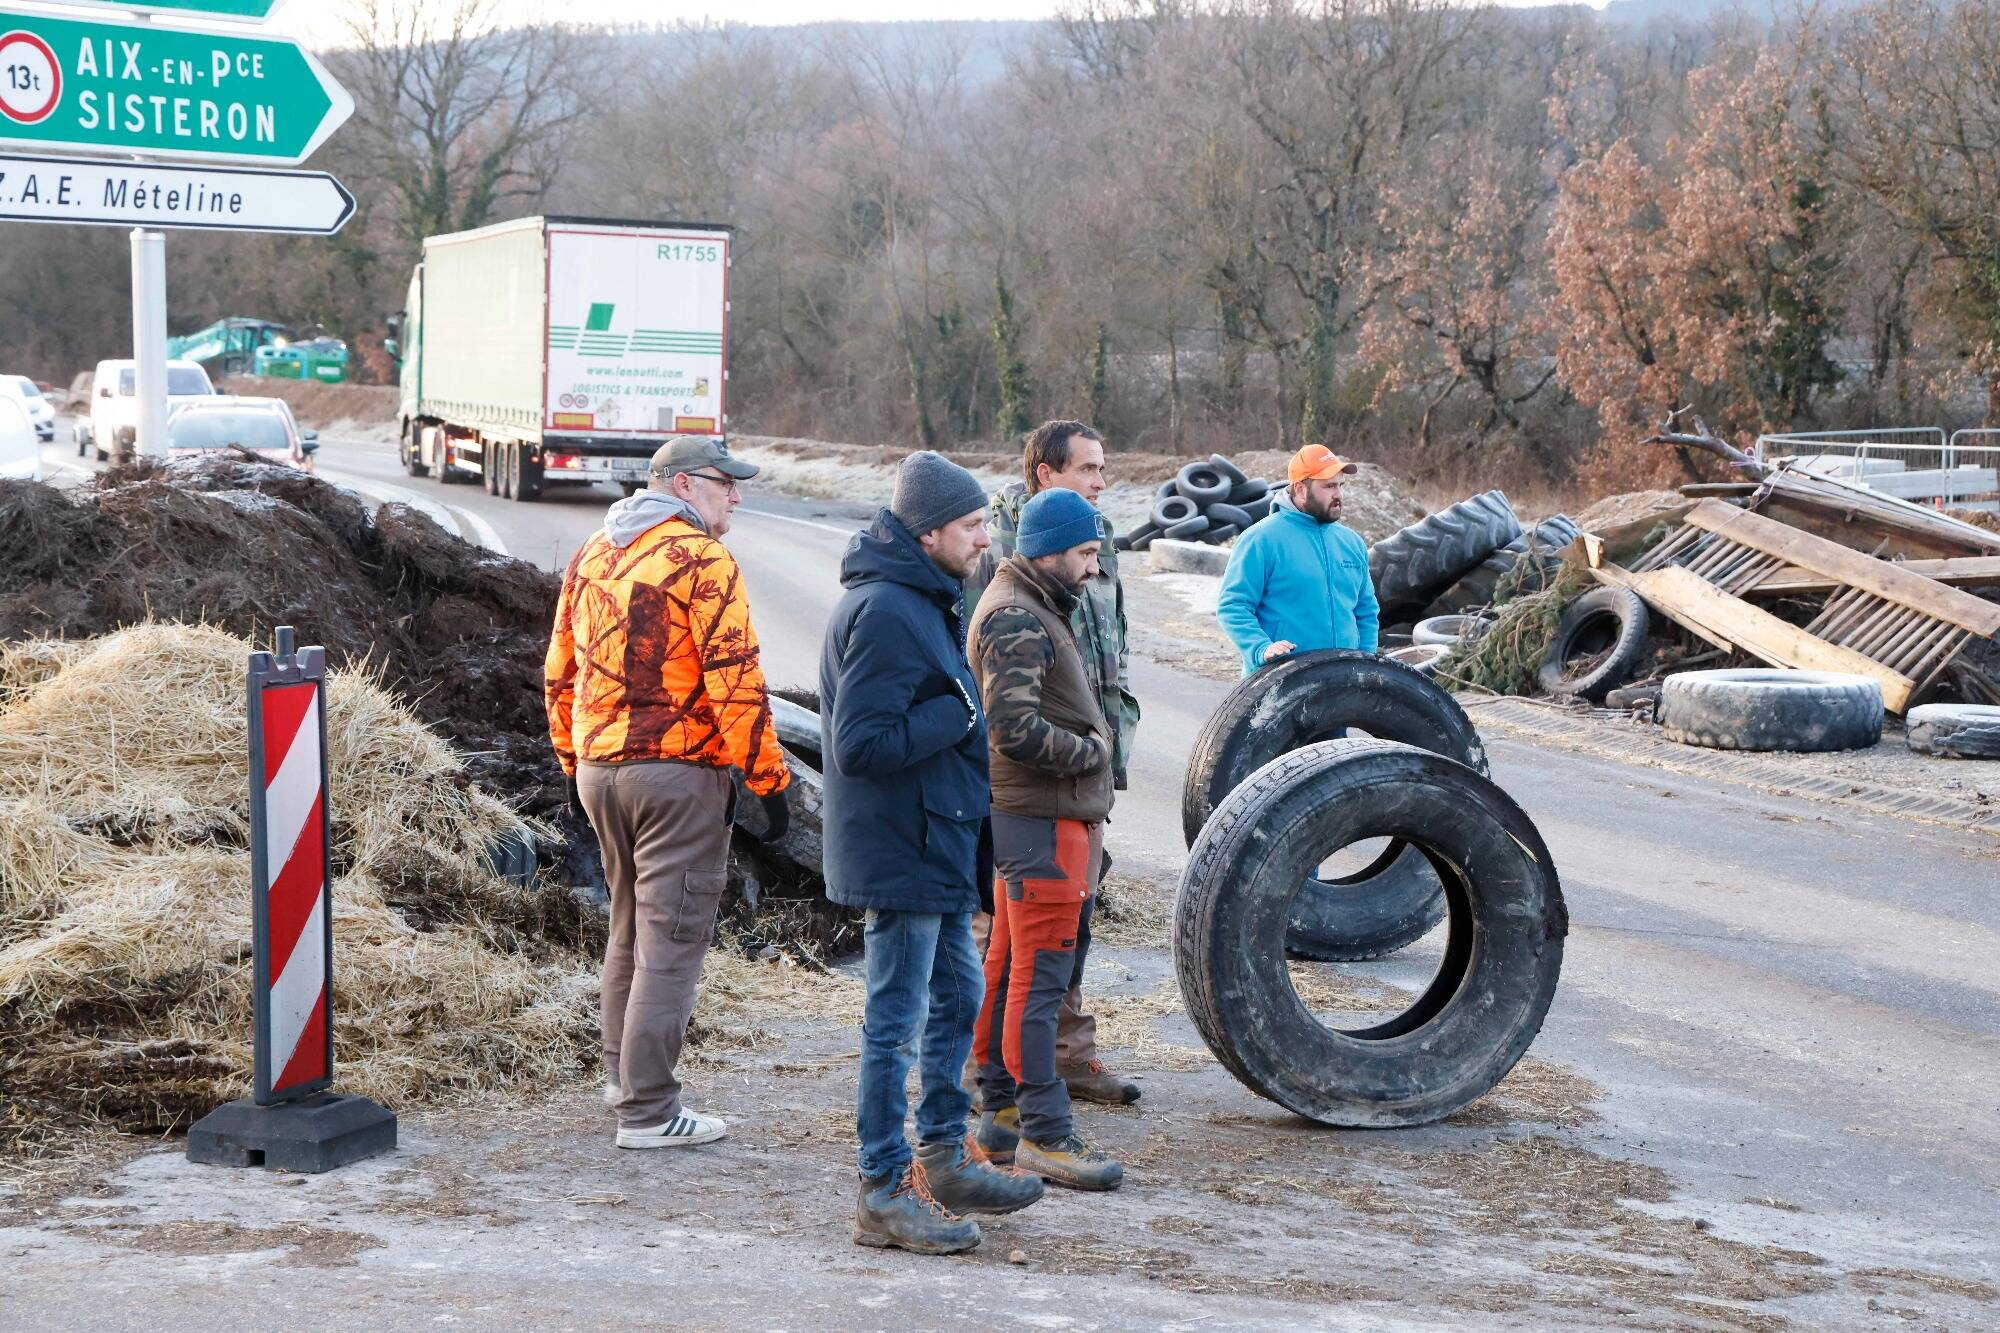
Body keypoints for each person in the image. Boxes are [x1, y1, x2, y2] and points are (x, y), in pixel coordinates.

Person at [821, 450, 1046, 1256]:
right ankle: (882, 1188)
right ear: (927, 533)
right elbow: (857, 745)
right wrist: (954, 718)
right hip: (903, 849)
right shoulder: (885, 609)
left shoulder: (927, 598)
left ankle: (943, 1158)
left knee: (956, 994)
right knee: (897, 1021)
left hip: (938, 843)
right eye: (972, 525)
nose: (985, 539)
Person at [545, 436, 791, 1150]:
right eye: (725, 484)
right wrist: (769, 781)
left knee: (628, 924)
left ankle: (621, 1080)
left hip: (599, 769)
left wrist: (570, 758)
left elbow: (560, 670)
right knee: (673, 939)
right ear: (683, 485)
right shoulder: (703, 559)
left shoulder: (593, 552)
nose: (735, 497)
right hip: (676, 773)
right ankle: (649, 1110)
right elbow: (734, 677)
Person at [962, 419, 1141, 1107]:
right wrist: (1083, 750)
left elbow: (1107, 647)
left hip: (1083, 776)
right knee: (1020, 943)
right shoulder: (1003, 555)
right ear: (1047, 475)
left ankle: (1063, 1057)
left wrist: (1109, 745)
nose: (1102, 481)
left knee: (1068, 929)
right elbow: (1002, 702)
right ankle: (1009, 1085)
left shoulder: (1092, 545)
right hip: (1035, 788)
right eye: (1090, 469)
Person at [1216, 443, 1381, 675]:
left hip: (1343, 681)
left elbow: (1366, 611)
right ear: (1301, 489)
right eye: (1329, 486)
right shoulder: (1261, 540)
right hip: (1280, 682)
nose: (1338, 495)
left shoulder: (1351, 543)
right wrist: (1260, 648)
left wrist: (1365, 660)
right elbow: (1233, 606)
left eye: (1341, 486)